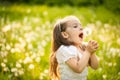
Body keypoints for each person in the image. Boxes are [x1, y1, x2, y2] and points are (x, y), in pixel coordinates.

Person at [49, 16, 99, 80]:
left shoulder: (83, 47)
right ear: (65, 34)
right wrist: (88, 52)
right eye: (75, 26)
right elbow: (78, 69)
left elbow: (95, 66)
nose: (81, 28)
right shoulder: (64, 50)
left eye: (81, 26)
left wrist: (92, 53)